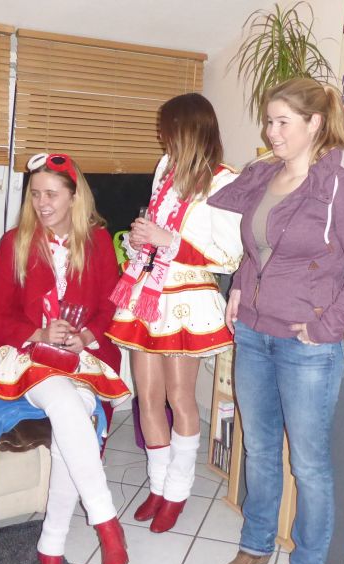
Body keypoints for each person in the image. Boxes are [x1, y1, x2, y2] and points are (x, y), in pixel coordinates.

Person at [206, 78, 344, 564]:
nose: (272, 132)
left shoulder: (341, 189)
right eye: (269, 121)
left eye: (283, 122)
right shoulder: (265, 177)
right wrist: (240, 286)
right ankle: (256, 542)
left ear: (315, 123)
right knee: (259, 448)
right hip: (253, 334)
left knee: (308, 464)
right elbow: (257, 249)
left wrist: (328, 326)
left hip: (307, 347)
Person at [0, 153, 129, 564]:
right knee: (63, 399)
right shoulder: (15, 242)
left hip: (81, 357)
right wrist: (39, 334)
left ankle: (51, 548)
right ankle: (105, 520)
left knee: (72, 416)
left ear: (74, 197)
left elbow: (110, 307)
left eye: (51, 194)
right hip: (26, 355)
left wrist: (86, 336)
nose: (41, 204)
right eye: (35, 194)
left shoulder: (98, 241)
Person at [106, 92, 243, 533]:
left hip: (186, 300)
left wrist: (167, 240)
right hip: (147, 293)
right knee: (147, 397)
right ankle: (158, 484)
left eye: (167, 130)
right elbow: (156, 233)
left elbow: (229, 256)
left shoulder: (224, 181)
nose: (162, 139)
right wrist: (140, 240)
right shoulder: (165, 168)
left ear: (188, 130)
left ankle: (178, 492)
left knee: (179, 397)